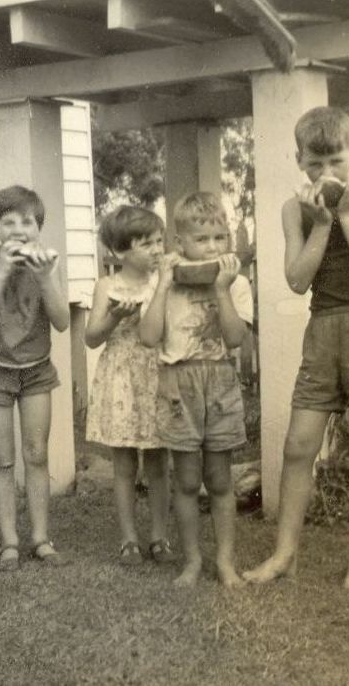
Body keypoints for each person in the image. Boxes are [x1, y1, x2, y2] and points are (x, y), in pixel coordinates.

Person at [244, 106, 349, 588]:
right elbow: (296, 280)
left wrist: (346, 215)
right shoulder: (295, 209)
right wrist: (320, 223)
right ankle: (285, 555)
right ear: (299, 161)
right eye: (315, 164)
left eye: (336, 160)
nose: (327, 173)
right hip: (324, 330)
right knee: (298, 446)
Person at [139, 192, 252, 587]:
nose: (213, 247)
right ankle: (191, 561)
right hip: (178, 383)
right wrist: (163, 285)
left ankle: (224, 562)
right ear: (179, 244)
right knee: (186, 481)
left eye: (220, 238)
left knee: (220, 480)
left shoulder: (235, 283)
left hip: (218, 379)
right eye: (203, 240)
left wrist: (222, 289)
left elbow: (236, 339)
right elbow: (149, 337)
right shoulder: (163, 283)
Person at [0, 185, 71, 571]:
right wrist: (2, 272)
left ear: (38, 227)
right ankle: (9, 541)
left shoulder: (49, 262)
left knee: (37, 453)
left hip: (35, 368)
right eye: (7, 221)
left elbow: (61, 322)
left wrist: (45, 279)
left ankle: (41, 538)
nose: (17, 228)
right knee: (1, 457)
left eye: (26, 221)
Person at [85, 205, 177, 566]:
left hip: (155, 373)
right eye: (146, 244)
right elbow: (92, 338)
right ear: (121, 251)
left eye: (159, 241)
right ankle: (128, 540)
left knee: (158, 460)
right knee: (124, 463)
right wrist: (113, 317)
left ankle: (159, 537)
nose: (157, 249)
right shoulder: (107, 285)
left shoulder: (163, 283)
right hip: (121, 377)